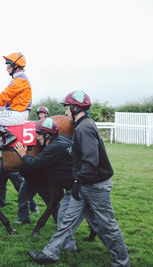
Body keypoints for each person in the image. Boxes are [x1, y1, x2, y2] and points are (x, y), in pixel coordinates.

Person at [28, 91, 130, 266]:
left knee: (106, 226)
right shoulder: (83, 125)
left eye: (67, 108)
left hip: (95, 186)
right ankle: (50, 254)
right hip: (85, 185)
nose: (65, 112)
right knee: (67, 220)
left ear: (75, 108)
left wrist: (77, 181)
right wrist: (78, 182)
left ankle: (122, 261)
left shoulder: (84, 128)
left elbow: (90, 161)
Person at [14, 118, 75, 250]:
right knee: (94, 218)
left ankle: (59, 249)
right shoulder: (64, 139)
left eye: (39, 134)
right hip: (76, 185)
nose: (37, 137)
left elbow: (35, 163)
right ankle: (69, 246)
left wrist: (23, 155)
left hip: (78, 188)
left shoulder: (54, 147)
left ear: (48, 135)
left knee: (63, 215)